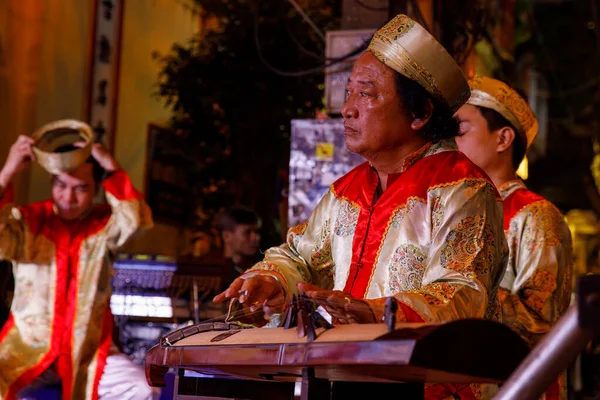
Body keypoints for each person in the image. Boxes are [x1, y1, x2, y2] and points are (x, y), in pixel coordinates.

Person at [215, 14, 508, 399]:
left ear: (420, 113)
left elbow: (461, 293)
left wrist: (376, 313)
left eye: (366, 94)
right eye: (349, 92)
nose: (348, 108)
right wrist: (272, 279)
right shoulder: (346, 190)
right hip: (347, 377)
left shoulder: (461, 189)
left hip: (427, 387)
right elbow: (299, 257)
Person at [0, 136, 159, 400]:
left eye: (81, 188)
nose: (68, 197)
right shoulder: (28, 222)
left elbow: (137, 221)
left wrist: (110, 166)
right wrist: (8, 171)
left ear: (96, 188)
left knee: (141, 389)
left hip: (90, 348)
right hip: (27, 344)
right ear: (52, 181)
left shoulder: (104, 225)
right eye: (60, 185)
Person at [455, 76, 573, 399]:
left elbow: (541, 326)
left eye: (461, 128)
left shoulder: (535, 216)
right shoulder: (457, 212)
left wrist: (459, 294)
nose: (452, 141)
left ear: (503, 138)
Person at [216, 206, 262, 286]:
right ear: (226, 236)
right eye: (247, 232)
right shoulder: (215, 273)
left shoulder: (261, 269)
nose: (255, 238)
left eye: (256, 232)